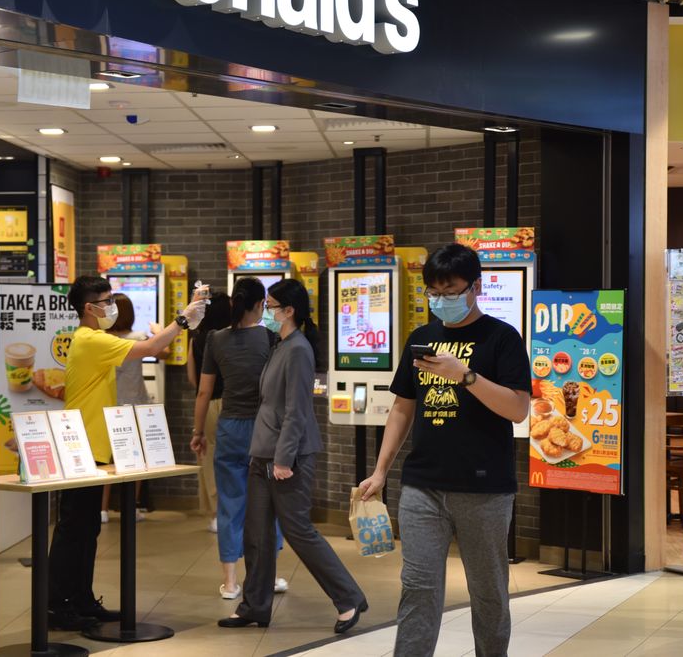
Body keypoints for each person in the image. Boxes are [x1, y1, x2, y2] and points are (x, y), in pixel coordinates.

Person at [358, 243, 530, 657]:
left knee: (488, 593)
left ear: (476, 286)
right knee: (417, 589)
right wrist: (381, 471)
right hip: (422, 486)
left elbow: (518, 409)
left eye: (450, 291)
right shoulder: (422, 338)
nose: (440, 301)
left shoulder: (501, 338)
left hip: (484, 489)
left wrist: (464, 375)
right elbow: (402, 407)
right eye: (433, 292)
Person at [48, 275, 206, 631]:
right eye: (105, 301)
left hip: (94, 446)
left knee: (87, 528)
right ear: (88, 308)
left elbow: (150, 346)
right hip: (81, 446)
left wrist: (180, 323)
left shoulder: (96, 339)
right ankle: (57, 605)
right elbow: (150, 349)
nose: (111, 306)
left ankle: (82, 599)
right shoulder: (90, 340)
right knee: (73, 527)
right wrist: (182, 320)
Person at [220, 278, 367, 634]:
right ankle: (255, 605)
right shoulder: (280, 345)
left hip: (289, 457)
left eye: (271, 306)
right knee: (256, 532)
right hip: (262, 454)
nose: (265, 312)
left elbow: (297, 412)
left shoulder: (298, 350)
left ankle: (348, 599)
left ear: (289, 312)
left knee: (298, 531)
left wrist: (284, 459)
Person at [191, 278, 287, 599]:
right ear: (261, 305)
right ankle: (268, 577)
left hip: (230, 426)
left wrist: (197, 432)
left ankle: (231, 583)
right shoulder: (272, 338)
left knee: (230, 503)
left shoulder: (216, 340)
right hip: (264, 429)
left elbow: (204, 391)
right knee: (268, 502)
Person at [100, 293, 165, 524]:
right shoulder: (138, 338)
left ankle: (103, 510)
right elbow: (164, 351)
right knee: (136, 459)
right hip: (135, 406)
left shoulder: (103, 340)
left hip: (109, 406)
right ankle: (132, 508)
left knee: (108, 460)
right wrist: (157, 331)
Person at [187, 290, 231, 534]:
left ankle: (216, 514)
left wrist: (197, 428)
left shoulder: (198, 339)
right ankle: (235, 509)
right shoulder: (233, 337)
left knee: (208, 457)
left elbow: (194, 380)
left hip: (209, 403)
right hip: (235, 403)